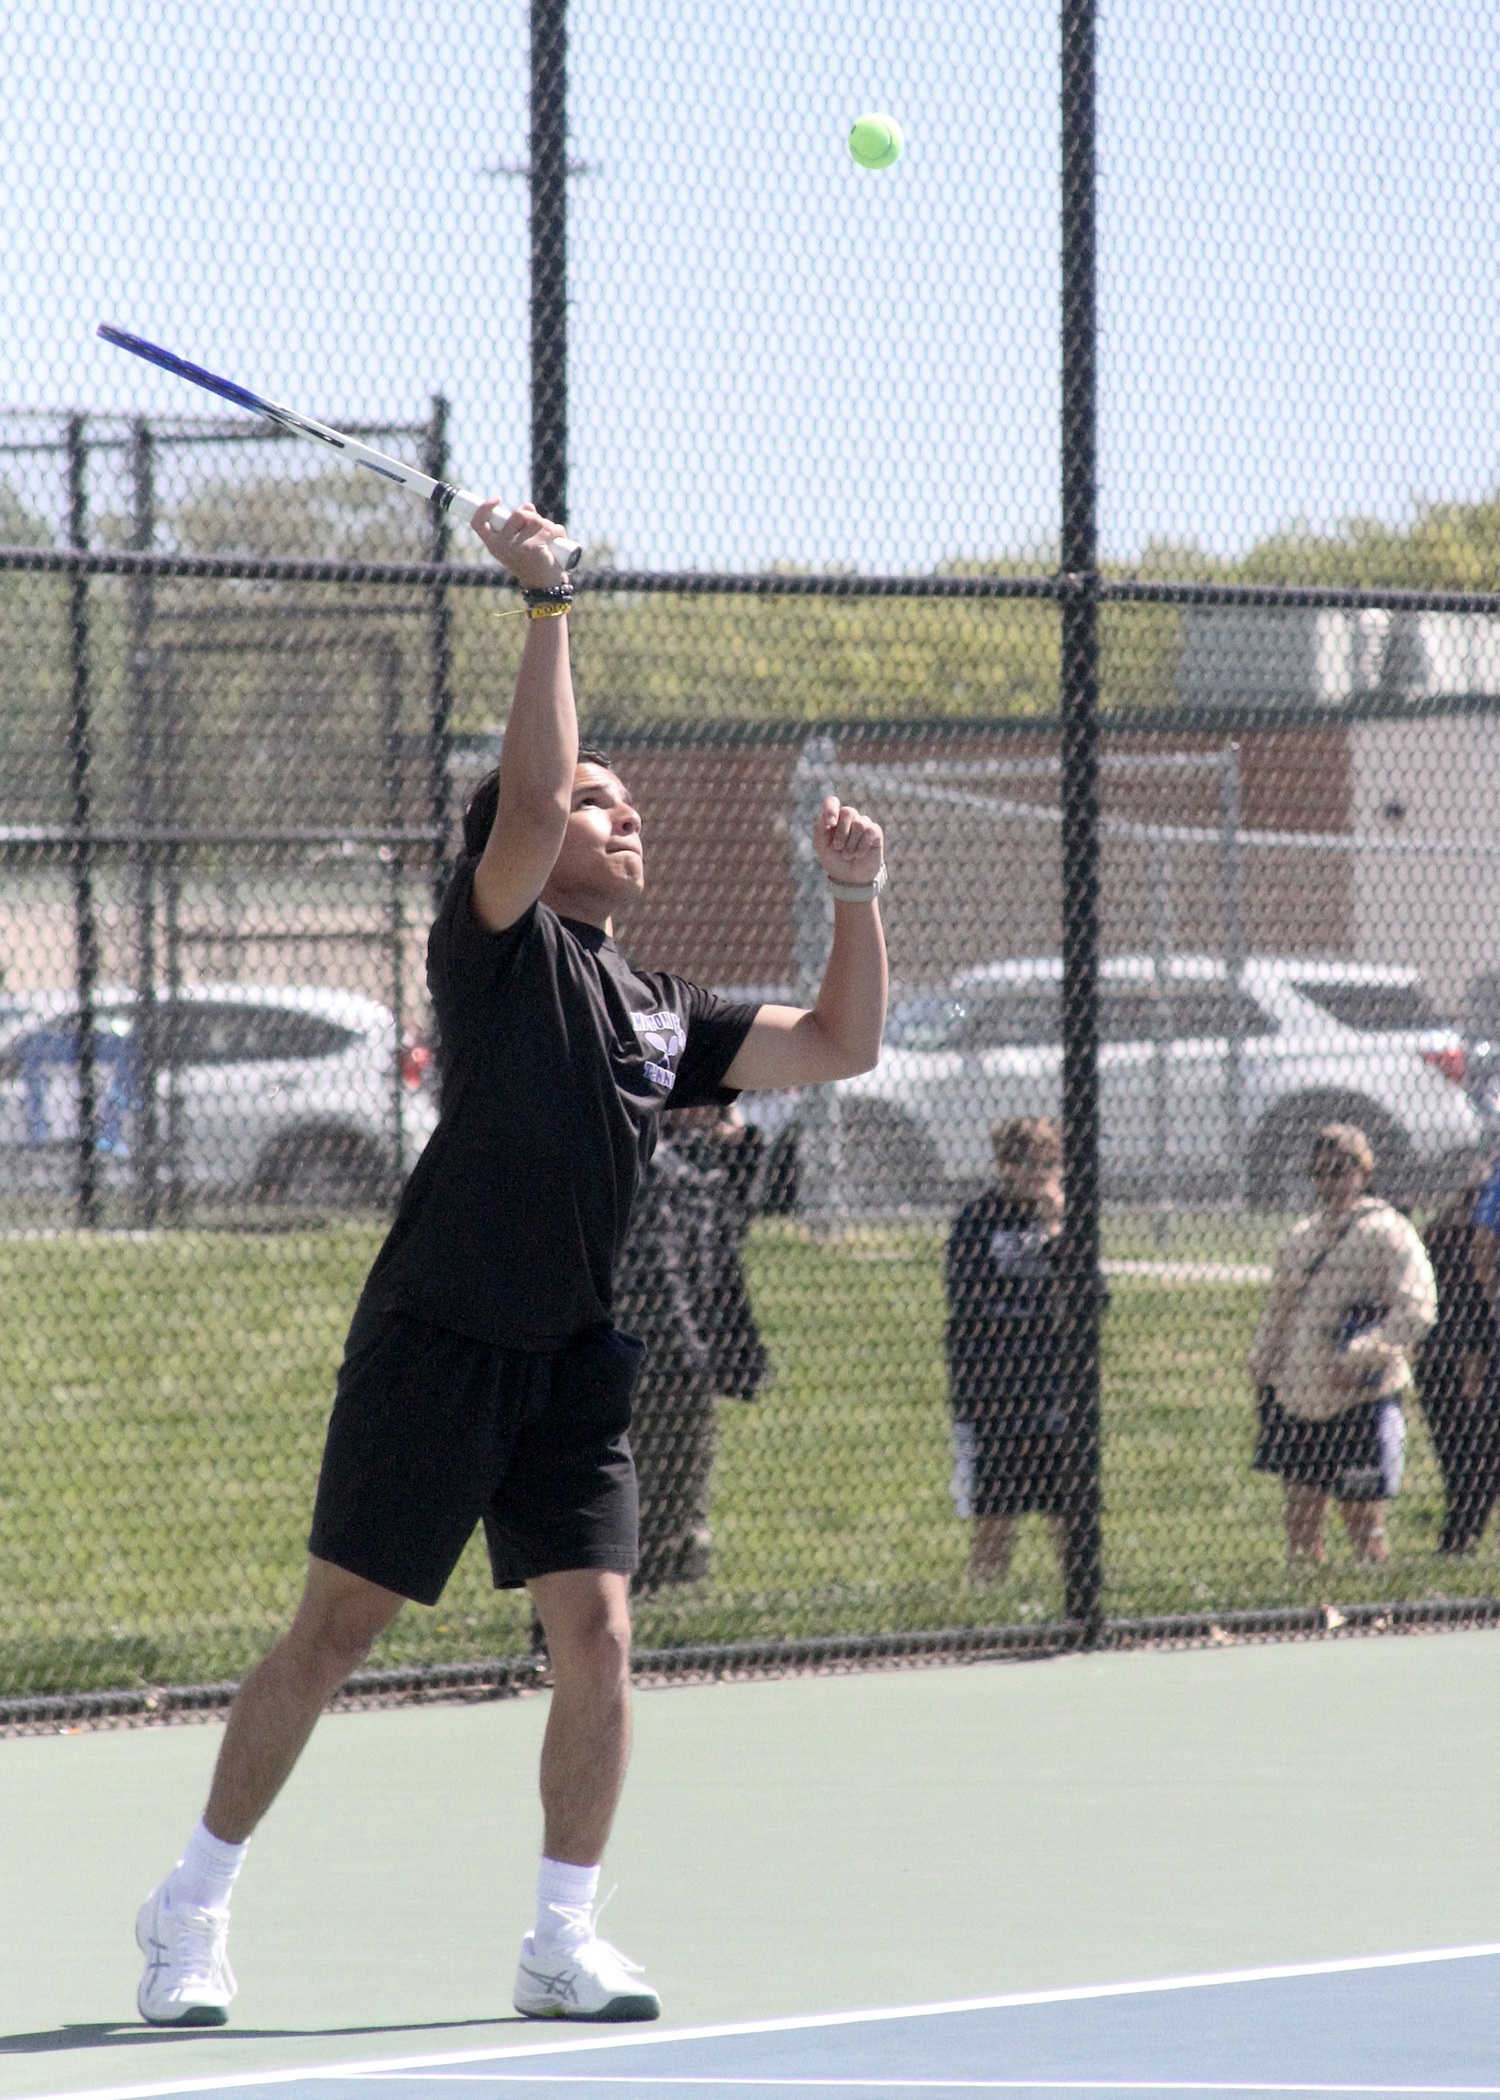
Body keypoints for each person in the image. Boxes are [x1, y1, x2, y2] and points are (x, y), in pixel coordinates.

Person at [133, 500, 888, 2030]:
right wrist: (547, 602)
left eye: (627, 808)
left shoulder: (663, 1012)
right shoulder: (495, 942)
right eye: (600, 804)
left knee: (600, 1634)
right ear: (519, 850)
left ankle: (561, 1936)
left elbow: (843, 1042)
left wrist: (861, 899)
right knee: (338, 1631)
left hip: (574, 1355)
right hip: (438, 1335)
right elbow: (531, 804)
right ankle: (189, 1907)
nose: (624, 821)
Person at [1249, 1123, 1436, 1565]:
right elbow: (1278, 1311)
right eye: (1319, 1174)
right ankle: (1308, 1608)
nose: (1328, 1183)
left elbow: (1418, 1308)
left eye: (1339, 1171)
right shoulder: (1299, 1239)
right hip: (1299, 1396)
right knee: (1299, 1524)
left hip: (1359, 1395)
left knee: (1363, 1523)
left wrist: (1361, 1354)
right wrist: (1262, 1360)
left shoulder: (1388, 1231)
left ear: (1363, 1171)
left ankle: (1373, 1608)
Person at [616, 1106, 771, 1591]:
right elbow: (656, 1277)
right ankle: (637, 1584)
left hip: (686, 1351)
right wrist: (688, 1355)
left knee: (682, 1484)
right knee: (646, 1478)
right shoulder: (654, 1163)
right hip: (655, 1356)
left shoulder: (696, 1163)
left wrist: (741, 1141)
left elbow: (745, 1207)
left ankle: (664, 1581)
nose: (716, 1115)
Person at [943, 1117, 1072, 1583]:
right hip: (996, 1402)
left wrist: (1056, 1232)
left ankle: (1079, 1615)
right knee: (994, 1527)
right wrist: (1041, 1316)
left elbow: (1091, 1300)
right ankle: (983, 1616)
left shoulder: (1067, 1223)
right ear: (1004, 1166)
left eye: (1050, 1165)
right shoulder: (976, 1223)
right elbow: (972, 1306)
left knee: (1070, 1524)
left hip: (1057, 1398)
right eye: (1029, 1165)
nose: (1040, 1176)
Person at [1418, 1166, 1500, 1554]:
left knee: (1465, 1465)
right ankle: (1457, 1543)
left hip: (1436, 1360)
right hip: (1462, 1358)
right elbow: (1465, 1309)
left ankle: (1458, 1543)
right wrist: (1473, 1364)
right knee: (1479, 1460)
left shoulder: (1437, 1234)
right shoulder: (1459, 1241)